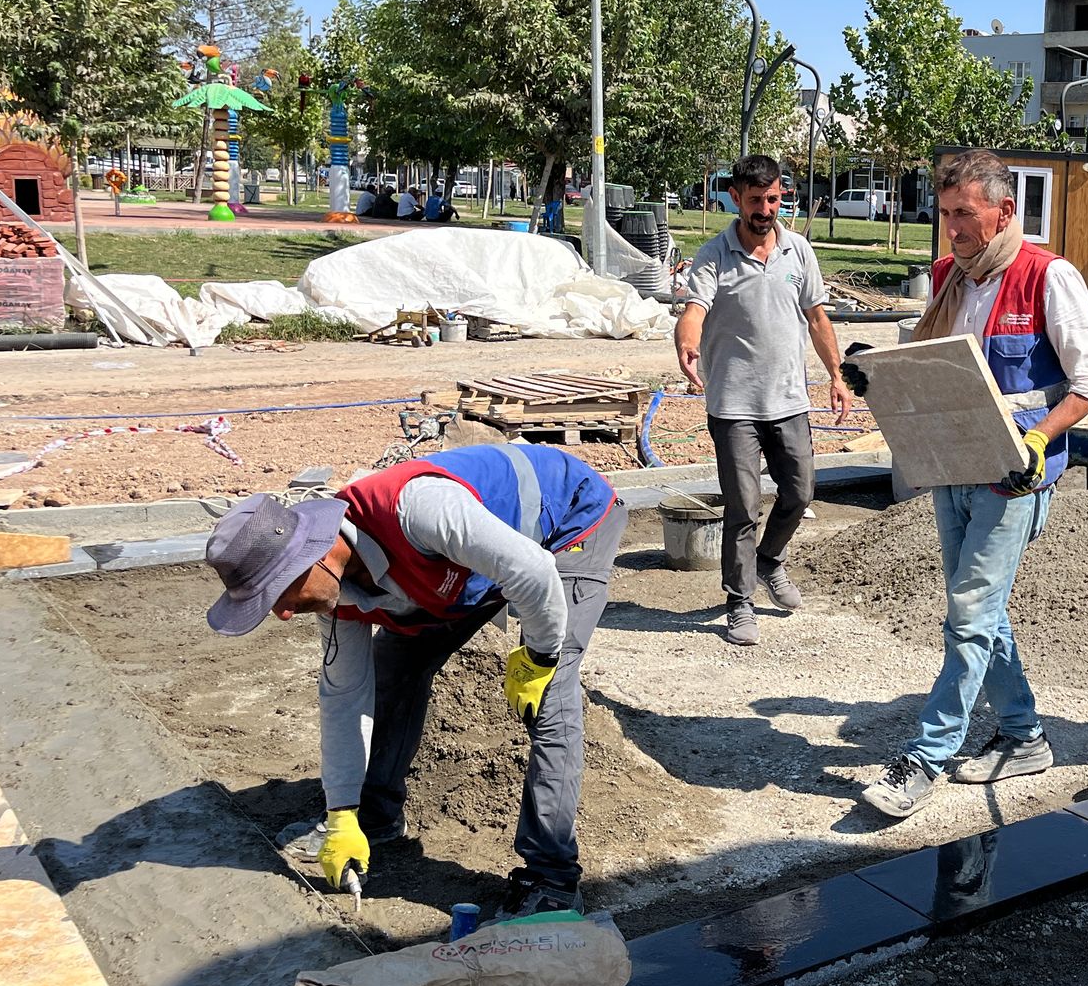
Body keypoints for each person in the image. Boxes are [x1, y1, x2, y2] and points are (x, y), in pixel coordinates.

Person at [201, 444, 628, 919]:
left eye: (279, 594)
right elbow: (344, 698)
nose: (282, 614)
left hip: (568, 521)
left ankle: (552, 877)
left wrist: (539, 656)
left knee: (550, 696)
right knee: (394, 668)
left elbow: (532, 570)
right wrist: (342, 812)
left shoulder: (416, 509)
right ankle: (375, 816)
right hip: (475, 565)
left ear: (310, 557)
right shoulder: (333, 595)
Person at [853, 148, 1088, 818]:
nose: (952, 230)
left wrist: (1037, 438)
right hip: (950, 466)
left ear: (1004, 212)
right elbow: (929, 366)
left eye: (964, 215)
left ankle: (928, 756)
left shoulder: (1046, 278)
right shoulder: (948, 278)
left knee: (968, 610)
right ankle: (1025, 736)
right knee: (982, 611)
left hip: (1014, 476)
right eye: (944, 215)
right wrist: (873, 371)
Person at [677, 154, 851, 646]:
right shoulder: (714, 255)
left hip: (789, 399)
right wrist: (686, 344)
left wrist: (837, 377)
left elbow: (817, 320)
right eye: (756, 200)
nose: (766, 209)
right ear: (735, 198)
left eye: (773, 199)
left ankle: (768, 562)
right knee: (743, 506)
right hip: (733, 405)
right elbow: (694, 311)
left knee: (800, 492)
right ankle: (739, 601)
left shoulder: (798, 252)